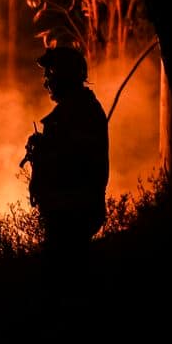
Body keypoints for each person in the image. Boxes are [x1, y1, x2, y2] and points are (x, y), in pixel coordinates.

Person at [22, 46, 109, 298]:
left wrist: (45, 152)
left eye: (50, 72)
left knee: (66, 284)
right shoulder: (77, 110)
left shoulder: (80, 112)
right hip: (68, 210)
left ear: (67, 74)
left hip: (73, 212)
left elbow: (76, 162)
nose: (46, 80)